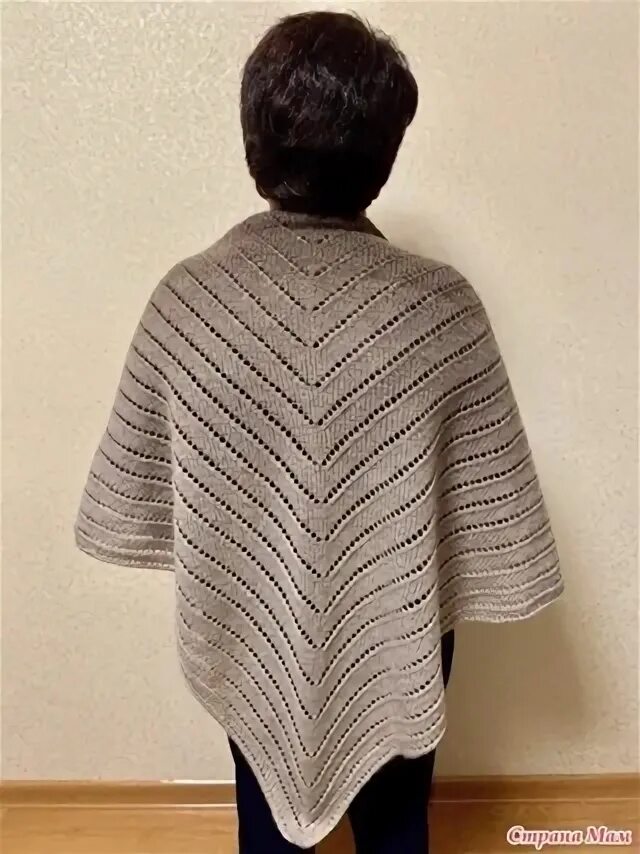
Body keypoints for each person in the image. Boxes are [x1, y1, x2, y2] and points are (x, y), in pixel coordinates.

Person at [74, 10, 563, 854]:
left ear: (255, 143)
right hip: (396, 622)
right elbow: (483, 515)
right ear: (385, 152)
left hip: (251, 613)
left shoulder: (189, 299)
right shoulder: (440, 306)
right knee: (399, 822)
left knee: (265, 824)